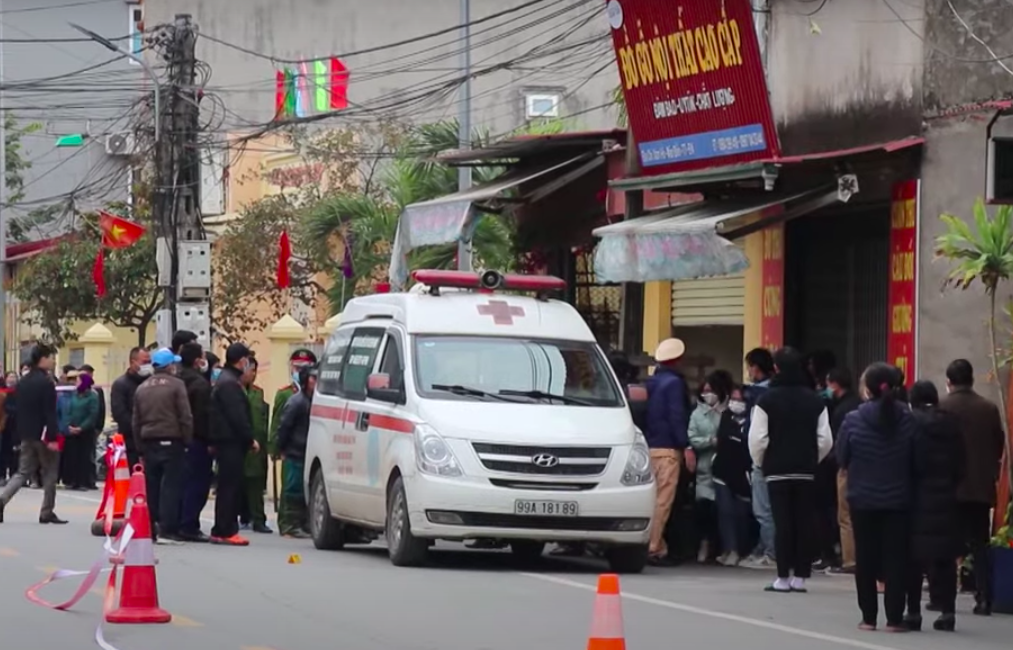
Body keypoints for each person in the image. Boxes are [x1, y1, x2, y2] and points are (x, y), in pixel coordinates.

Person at [837, 363, 916, 632]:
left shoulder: (853, 418)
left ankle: (868, 617)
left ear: (868, 389)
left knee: (866, 558)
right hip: (899, 500)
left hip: (862, 499)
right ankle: (894, 618)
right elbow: (917, 459)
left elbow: (841, 457)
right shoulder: (908, 418)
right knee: (896, 559)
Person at [748, 347, 833, 593]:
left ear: (776, 368)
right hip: (805, 470)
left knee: (782, 523)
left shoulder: (766, 399)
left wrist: (763, 461)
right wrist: (811, 459)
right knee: (803, 522)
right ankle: (801, 577)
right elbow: (825, 439)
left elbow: (758, 438)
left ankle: (782, 577)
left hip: (777, 470)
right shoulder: (815, 400)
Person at [939, 359, 1005, 616]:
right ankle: (984, 597)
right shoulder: (988, 408)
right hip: (980, 487)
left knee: (946, 544)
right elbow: (998, 444)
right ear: (972, 380)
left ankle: (944, 599)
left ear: (949, 382)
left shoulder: (943, 407)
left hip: (949, 487)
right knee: (980, 545)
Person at [904, 380, 964, 632]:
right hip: (948, 497)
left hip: (917, 497)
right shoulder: (952, 423)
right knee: (945, 558)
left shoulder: (910, 424)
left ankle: (914, 612)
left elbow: (907, 460)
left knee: (913, 559)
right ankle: (948, 612)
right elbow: (962, 461)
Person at [0, 344, 66, 524]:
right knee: (50, 472)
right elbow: (49, 412)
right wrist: (52, 437)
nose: (53, 361)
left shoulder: (23, 382)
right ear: (42, 359)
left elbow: (16, 409)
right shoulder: (46, 383)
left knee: (22, 472)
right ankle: (47, 511)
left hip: (26, 433)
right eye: (51, 357)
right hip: (44, 435)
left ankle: (2, 499)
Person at [132, 348, 193, 542]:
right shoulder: (177, 385)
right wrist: (186, 440)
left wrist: (139, 446)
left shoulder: (142, 387)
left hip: (149, 442)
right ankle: (167, 529)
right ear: (170, 366)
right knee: (171, 487)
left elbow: (136, 421)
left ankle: (150, 527)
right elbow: (185, 415)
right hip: (172, 440)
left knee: (152, 487)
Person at [644, 338, 692, 565]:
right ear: (678, 360)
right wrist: (686, 445)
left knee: (651, 499)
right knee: (663, 501)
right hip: (668, 450)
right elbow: (677, 417)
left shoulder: (650, 383)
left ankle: (657, 544)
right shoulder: (674, 384)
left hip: (649, 447)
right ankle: (652, 546)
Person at [210, 343, 260, 546]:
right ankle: (226, 529)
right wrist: (249, 439)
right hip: (230, 441)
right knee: (230, 487)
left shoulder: (226, 379)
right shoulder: (230, 384)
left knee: (228, 486)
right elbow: (237, 416)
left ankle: (223, 528)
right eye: (247, 360)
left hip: (227, 440)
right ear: (241, 361)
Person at [269, 349, 317, 534]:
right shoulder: (293, 399)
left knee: (303, 489)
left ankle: (302, 523)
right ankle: (288, 525)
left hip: (307, 451)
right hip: (294, 450)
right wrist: (277, 448)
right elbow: (282, 425)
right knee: (291, 489)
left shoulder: (313, 400)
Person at [688, 370, 730, 563]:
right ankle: (704, 543)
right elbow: (693, 438)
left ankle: (722, 546)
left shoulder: (729, 411)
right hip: (704, 469)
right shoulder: (697, 414)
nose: (708, 394)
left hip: (725, 468)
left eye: (711, 390)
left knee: (724, 510)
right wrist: (710, 440)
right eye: (705, 391)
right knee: (703, 508)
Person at [741, 347, 777, 569]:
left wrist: (755, 457)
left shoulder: (759, 396)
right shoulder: (773, 392)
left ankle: (770, 553)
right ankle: (766, 548)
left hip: (762, 458)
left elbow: (755, 432)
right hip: (777, 458)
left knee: (764, 509)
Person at [713, 385, 753, 566]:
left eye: (740, 399)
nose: (736, 403)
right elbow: (723, 439)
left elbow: (746, 444)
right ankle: (730, 549)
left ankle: (741, 549)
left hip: (743, 473)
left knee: (741, 514)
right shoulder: (726, 416)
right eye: (733, 399)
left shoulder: (752, 420)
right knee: (725, 512)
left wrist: (735, 438)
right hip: (722, 470)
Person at [827, 367, 862, 575]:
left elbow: (838, 443)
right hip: (865, 467)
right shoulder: (859, 405)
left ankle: (850, 560)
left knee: (846, 516)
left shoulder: (841, 411)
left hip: (847, 467)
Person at [178, 342, 213, 542]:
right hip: (197, 440)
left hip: (179, 438)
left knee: (180, 483)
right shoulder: (199, 385)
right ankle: (189, 525)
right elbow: (203, 417)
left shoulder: (177, 378)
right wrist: (210, 440)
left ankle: (179, 522)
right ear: (196, 360)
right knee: (197, 484)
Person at [240, 357, 272, 534]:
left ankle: (258, 519)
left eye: (254, 370)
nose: (252, 374)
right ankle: (240, 516)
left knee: (256, 485)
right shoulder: (233, 390)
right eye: (250, 370)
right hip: (239, 444)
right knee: (235, 485)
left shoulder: (258, 393)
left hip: (257, 446)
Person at [111, 348, 152, 468]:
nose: (147, 366)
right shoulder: (121, 384)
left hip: (150, 439)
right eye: (144, 362)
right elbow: (119, 413)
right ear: (133, 362)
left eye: (149, 362)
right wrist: (137, 428)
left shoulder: (151, 382)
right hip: (130, 441)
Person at [64, 373, 100, 491]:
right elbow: (69, 409)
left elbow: (92, 414)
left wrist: (81, 427)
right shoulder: (74, 395)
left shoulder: (92, 396)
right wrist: (69, 425)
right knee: (72, 456)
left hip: (85, 431)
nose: (76, 383)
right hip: (72, 429)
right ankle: (72, 481)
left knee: (84, 457)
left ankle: (83, 482)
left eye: (78, 381)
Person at [78, 365, 105, 490]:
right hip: (78, 428)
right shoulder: (77, 392)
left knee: (91, 455)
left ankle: (91, 479)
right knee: (83, 455)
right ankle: (81, 479)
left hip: (92, 427)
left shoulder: (96, 391)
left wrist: (99, 427)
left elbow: (100, 410)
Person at [0, 372, 18, 486]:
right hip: (3, 425)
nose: (12, 379)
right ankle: (1, 475)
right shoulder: (2, 393)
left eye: (14, 377)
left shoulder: (20, 393)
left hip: (16, 425)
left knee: (15, 451)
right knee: (2, 451)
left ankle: (13, 475)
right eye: (10, 376)